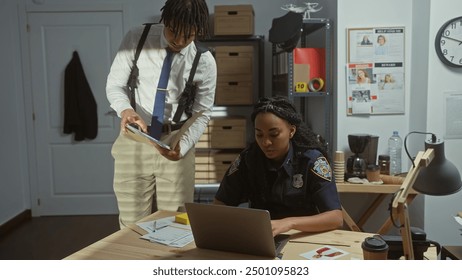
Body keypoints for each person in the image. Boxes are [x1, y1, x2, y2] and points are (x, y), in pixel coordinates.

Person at [106, 0, 217, 228]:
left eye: (188, 36)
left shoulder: (205, 62)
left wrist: (183, 145)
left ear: (198, 31)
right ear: (164, 20)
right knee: (131, 224)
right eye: (173, 32)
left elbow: (202, 113)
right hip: (134, 139)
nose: (178, 41)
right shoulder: (136, 39)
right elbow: (115, 85)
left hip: (175, 141)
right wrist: (125, 109)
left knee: (175, 224)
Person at [214, 96, 343, 236]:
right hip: (261, 236)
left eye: (274, 134)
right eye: (259, 135)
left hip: (302, 236)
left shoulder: (312, 160)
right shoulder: (249, 159)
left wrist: (288, 223)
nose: (265, 142)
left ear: (291, 131)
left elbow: (335, 217)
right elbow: (220, 203)